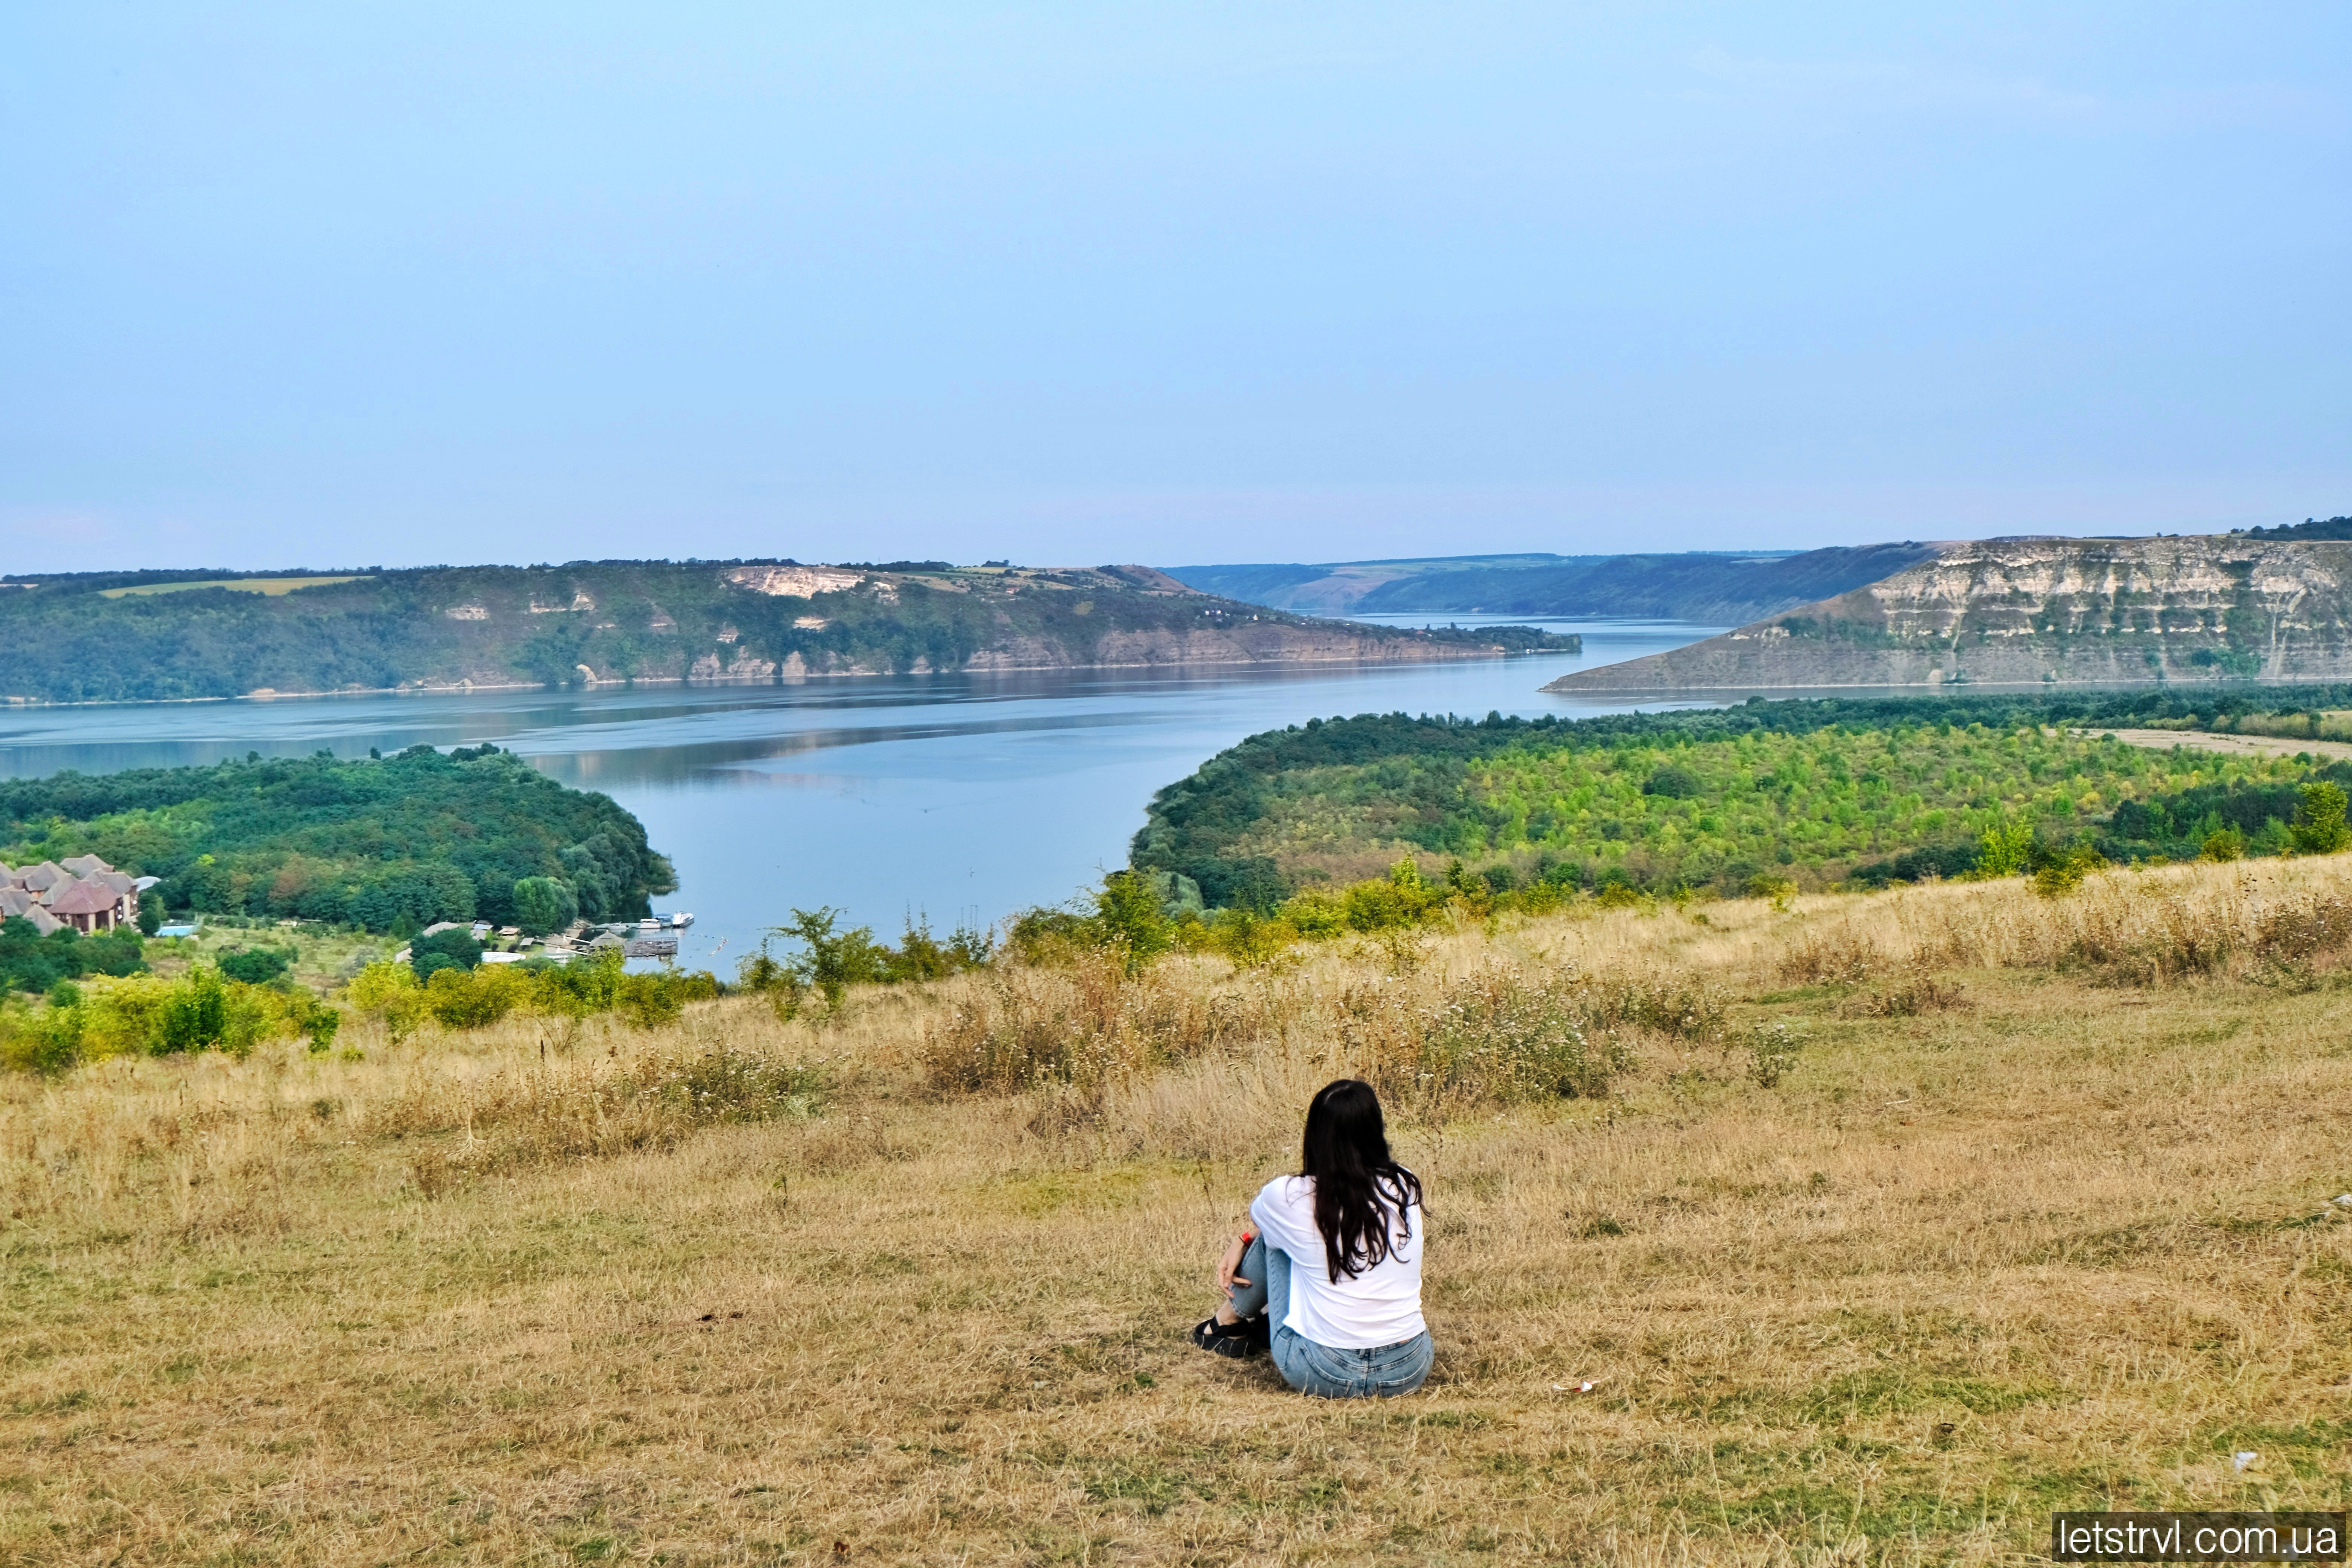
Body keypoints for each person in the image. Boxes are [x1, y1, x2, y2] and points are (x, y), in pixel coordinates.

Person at [1190, 1078, 1433, 1398]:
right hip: (1409, 1367)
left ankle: (1227, 1324)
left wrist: (1244, 1239)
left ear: (1316, 1135)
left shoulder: (1288, 1196)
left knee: (1273, 1241)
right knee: (1292, 1237)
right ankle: (1250, 1322)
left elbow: (1265, 1222)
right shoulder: (1404, 1185)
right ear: (1375, 1129)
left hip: (1323, 1370)